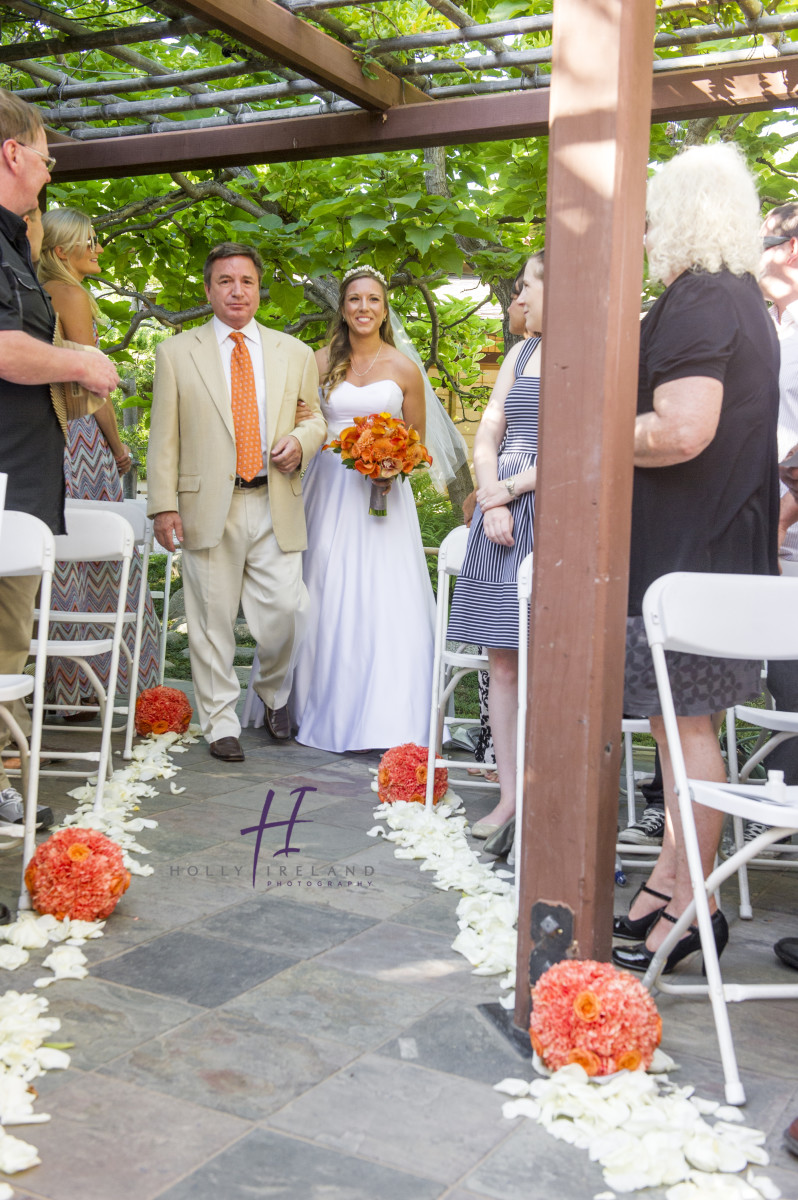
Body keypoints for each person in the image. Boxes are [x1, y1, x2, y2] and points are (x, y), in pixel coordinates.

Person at [612, 143, 779, 974]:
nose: (642, 232)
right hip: (714, 558)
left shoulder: (701, 296)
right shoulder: (744, 299)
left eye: (650, 214)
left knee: (683, 732)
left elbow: (681, 429)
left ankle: (694, 902)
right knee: (680, 729)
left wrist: (595, 430)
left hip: (690, 560)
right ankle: (667, 886)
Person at [147, 242, 326, 762]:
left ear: (258, 289)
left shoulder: (293, 353)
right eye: (225, 281)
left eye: (246, 281)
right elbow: (164, 437)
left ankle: (273, 693)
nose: (236, 290)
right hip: (208, 505)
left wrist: (302, 441)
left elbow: (313, 416)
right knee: (211, 620)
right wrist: (163, 504)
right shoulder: (177, 353)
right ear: (208, 290)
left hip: (275, 500)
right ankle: (220, 721)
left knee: (289, 612)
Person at [245, 265, 435, 752]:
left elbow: (419, 445)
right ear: (343, 308)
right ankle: (298, 701)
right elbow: (299, 421)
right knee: (319, 591)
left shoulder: (404, 369)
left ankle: (387, 716)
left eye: (373, 299)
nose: (364, 308)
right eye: (354, 300)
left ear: (385, 307)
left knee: (383, 598)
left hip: (385, 502)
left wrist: (393, 466)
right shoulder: (318, 360)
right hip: (328, 491)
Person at [0, 88, 119, 862]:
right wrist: (79, 361)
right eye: (45, 149)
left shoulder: (17, 245)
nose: (51, 163)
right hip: (2, 490)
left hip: (22, 492)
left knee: (6, 657)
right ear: (13, 153)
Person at [36, 207, 160, 715]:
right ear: (63, 250)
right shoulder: (69, 293)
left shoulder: (35, 289)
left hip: (47, 433)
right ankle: (105, 688)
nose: (99, 250)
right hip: (81, 437)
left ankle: (64, 690)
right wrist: (118, 446)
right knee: (101, 560)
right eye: (90, 242)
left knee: (61, 561)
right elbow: (93, 382)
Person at [447, 252, 544, 838]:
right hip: (497, 516)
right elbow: (488, 432)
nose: (521, 296)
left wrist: (507, 490)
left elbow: (580, 444)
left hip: (549, 505)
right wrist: (491, 496)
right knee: (501, 664)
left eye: (530, 284)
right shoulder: (520, 352)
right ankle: (507, 799)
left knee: (546, 664)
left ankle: (545, 798)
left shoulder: (583, 355)